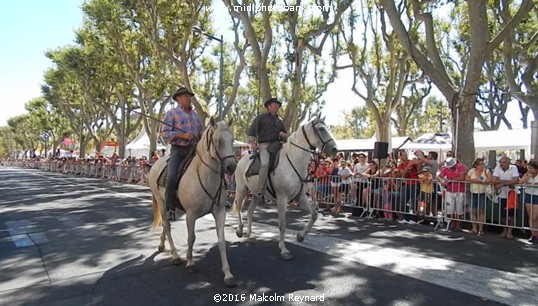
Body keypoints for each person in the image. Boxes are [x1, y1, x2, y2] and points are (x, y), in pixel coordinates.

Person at [161, 87, 203, 221]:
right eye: (185, 96)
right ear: (178, 98)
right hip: (179, 150)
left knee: (213, 167)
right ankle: (170, 208)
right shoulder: (172, 113)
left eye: (189, 96)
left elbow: (201, 133)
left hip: (194, 150)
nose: (188, 98)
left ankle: (218, 198)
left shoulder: (196, 116)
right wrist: (183, 135)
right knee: (172, 176)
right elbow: (165, 134)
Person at [246, 98, 288, 205]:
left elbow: (285, 135)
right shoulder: (261, 118)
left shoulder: (280, 121)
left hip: (278, 145)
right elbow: (251, 131)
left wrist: (284, 135)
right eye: (275, 105)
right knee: (265, 164)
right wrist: (253, 143)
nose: (277, 107)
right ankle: (260, 192)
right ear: (269, 106)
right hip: (265, 145)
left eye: (278, 105)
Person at [492, 156, 520, 239]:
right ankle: (505, 229)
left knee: (512, 213)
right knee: (503, 214)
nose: (501, 164)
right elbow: (494, 180)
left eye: (503, 162)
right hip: (502, 194)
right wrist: (508, 182)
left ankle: (510, 231)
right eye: (500, 162)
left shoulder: (514, 168)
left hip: (513, 194)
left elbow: (516, 180)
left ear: (508, 163)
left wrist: (502, 184)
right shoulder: (497, 168)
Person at [437, 157, 467, 231]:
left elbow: (462, 178)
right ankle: (452, 224)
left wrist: (451, 180)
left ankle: (458, 225)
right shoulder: (446, 168)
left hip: (460, 190)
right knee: (450, 208)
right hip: (449, 190)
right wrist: (441, 181)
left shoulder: (461, 167)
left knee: (459, 208)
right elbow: (439, 176)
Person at [465, 158, 492, 236]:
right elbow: (466, 178)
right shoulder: (472, 170)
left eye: (483, 163)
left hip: (482, 193)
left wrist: (482, 181)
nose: (482, 165)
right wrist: (474, 180)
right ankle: (474, 228)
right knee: (472, 210)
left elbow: (490, 179)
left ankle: (480, 229)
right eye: (481, 164)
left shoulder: (486, 171)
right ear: (476, 165)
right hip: (473, 192)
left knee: (481, 211)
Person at [519, 160, 538, 244]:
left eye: (531, 168)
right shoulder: (527, 174)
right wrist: (528, 176)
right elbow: (521, 182)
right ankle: (533, 234)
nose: (529, 170)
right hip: (529, 195)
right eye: (528, 168)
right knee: (530, 216)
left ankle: (536, 233)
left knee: (535, 217)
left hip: (537, 196)